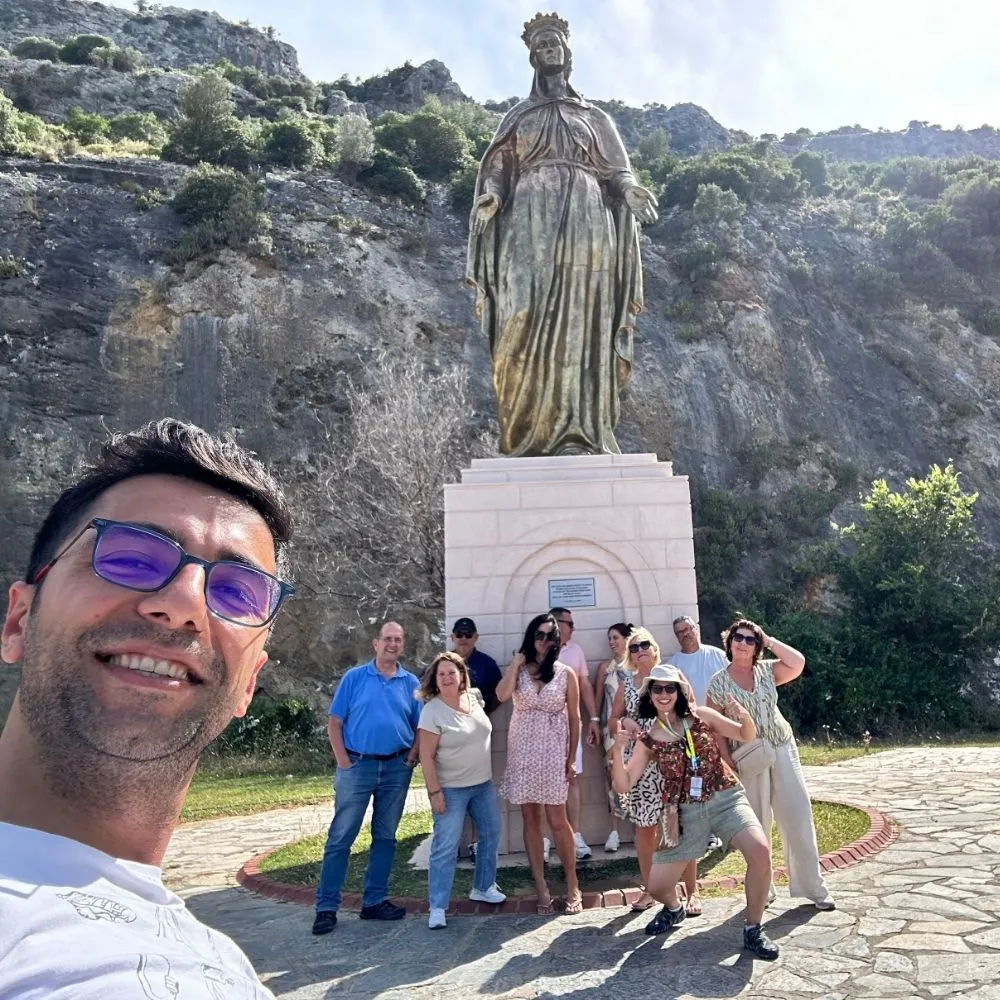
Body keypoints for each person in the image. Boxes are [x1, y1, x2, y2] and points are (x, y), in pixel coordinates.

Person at [0, 418, 294, 997]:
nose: (184, 605)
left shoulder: (217, 959)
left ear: (249, 685)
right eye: (131, 556)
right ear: (18, 620)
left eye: (236, 592)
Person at [466, 12, 658, 456]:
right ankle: (525, 435)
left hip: (587, 222)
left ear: (567, 53)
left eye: (555, 42)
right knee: (522, 312)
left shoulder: (594, 117)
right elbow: (498, 166)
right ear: (533, 57)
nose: (549, 49)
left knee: (583, 319)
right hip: (527, 221)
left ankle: (582, 432)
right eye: (542, 45)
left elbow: (616, 170)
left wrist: (629, 191)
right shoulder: (520, 116)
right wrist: (491, 195)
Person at [612, 665, 781, 960]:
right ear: (650, 695)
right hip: (681, 813)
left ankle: (753, 929)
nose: (664, 694)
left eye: (670, 688)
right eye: (657, 689)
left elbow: (746, 734)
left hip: (725, 798)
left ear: (680, 691)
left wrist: (743, 715)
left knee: (760, 851)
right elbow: (624, 783)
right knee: (657, 886)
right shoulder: (649, 737)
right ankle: (674, 909)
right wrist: (617, 750)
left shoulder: (702, 716)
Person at [706, 618, 835, 911]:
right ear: (729, 642)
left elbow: (798, 662)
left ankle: (813, 887)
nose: (743, 643)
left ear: (757, 646)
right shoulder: (718, 682)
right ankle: (764, 889)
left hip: (781, 747)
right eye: (738, 637)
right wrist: (726, 762)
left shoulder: (766, 671)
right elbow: (715, 728)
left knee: (799, 818)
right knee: (758, 825)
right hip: (749, 757)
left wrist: (770, 639)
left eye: (751, 640)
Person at [312, 621, 421, 935]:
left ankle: (374, 901)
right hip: (357, 767)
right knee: (341, 837)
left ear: (403, 644)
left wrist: (411, 757)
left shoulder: (410, 682)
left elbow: (419, 727)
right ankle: (326, 907)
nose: (392, 644)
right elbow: (335, 723)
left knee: (385, 837)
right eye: (387, 639)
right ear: (376, 643)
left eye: (398, 640)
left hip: (396, 769)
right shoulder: (355, 678)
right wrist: (344, 762)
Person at [497, 613, 582, 914]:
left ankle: (572, 883)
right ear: (531, 637)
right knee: (531, 819)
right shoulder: (519, 671)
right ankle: (541, 886)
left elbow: (575, 718)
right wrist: (515, 664)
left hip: (553, 754)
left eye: (550, 636)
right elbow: (502, 694)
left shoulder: (564, 673)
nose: (544, 641)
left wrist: (571, 758)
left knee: (558, 821)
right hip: (522, 753)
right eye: (539, 635)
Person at [417, 651, 505, 929]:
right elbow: (426, 756)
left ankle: (483, 887)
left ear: (461, 675)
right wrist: (435, 793)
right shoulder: (432, 710)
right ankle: (438, 906)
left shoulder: (475, 697)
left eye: (451, 672)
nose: (446, 678)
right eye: (441, 673)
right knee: (445, 847)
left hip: (482, 785)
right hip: (450, 790)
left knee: (491, 834)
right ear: (435, 678)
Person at [608, 626, 668, 912]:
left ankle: (684, 890)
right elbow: (613, 720)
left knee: (677, 827)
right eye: (633, 647)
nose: (640, 650)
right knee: (645, 829)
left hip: (669, 762)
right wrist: (625, 724)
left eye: (644, 644)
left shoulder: (670, 678)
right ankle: (649, 888)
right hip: (640, 764)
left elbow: (689, 711)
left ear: (655, 648)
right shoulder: (627, 685)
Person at [549, 606, 599, 860]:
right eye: (569, 623)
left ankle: (575, 835)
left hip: (571, 726)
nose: (573, 627)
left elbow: (585, 685)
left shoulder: (576, 651)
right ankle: (547, 839)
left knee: (572, 778)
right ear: (556, 624)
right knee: (543, 782)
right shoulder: (537, 648)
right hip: (542, 730)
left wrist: (594, 718)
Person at [593, 622, 634, 852]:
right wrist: (596, 724)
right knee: (612, 777)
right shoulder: (605, 668)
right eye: (609, 638)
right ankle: (615, 830)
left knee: (637, 775)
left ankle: (640, 827)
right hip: (611, 730)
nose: (611, 642)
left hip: (635, 730)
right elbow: (599, 698)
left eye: (616, 637)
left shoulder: (637, 665)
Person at [666, 616, 728, 705]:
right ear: (677, 636)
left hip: (722, 715)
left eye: (687, 629)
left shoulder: (718, 655)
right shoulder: (672, 665)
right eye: (680, 632)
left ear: (696, 629)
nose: (685, 634)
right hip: (691, 717)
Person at [449, 618, 503, 715]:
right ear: (452, 637)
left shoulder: (488, 664)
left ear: (476, 637)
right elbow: (425, 689)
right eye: (459, 634)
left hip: (478, 722)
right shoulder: (441, 663)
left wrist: (483, 710)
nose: (463, 638)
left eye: (468, 634)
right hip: (446, 722)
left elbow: (500, 694)